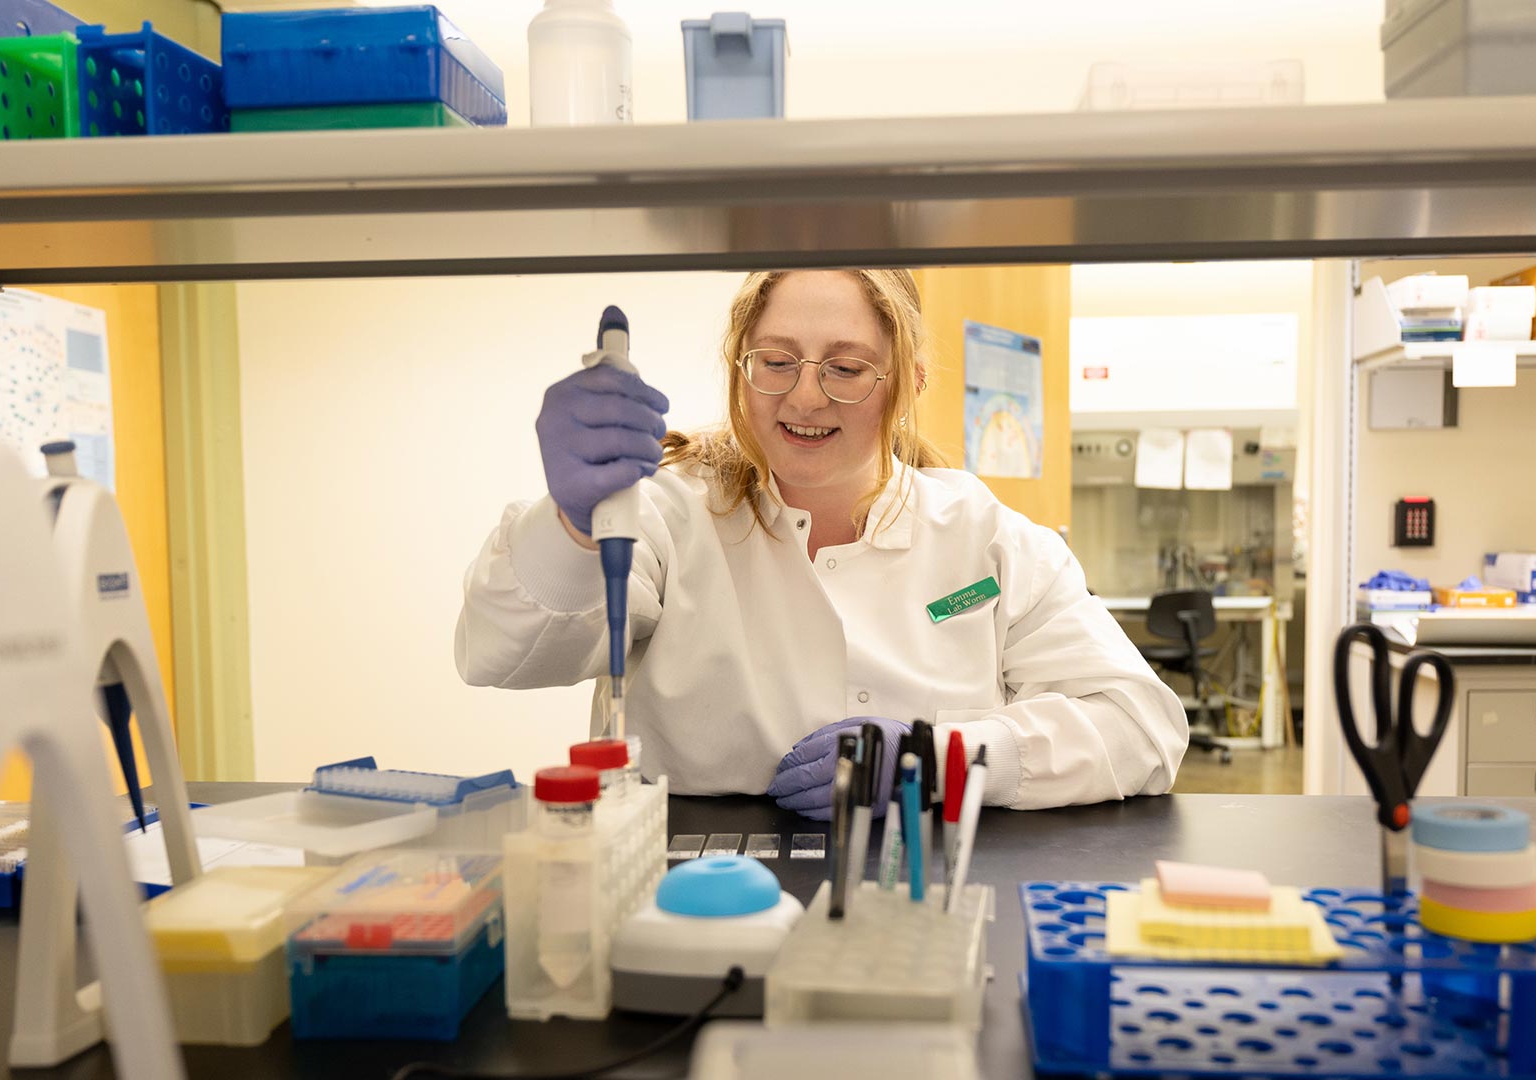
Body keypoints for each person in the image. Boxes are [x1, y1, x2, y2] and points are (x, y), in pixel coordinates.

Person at [456, 269, 1187, 816]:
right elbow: (498, 653)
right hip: (692, 893)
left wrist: (935, 761)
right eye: (777, 361)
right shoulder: (667, 514)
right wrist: (573, 522)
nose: (805, 398)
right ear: (741, 369)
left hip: (926, 884)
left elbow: (1141, 728)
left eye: (844, 368)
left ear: (908, 380)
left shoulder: (983, 536)